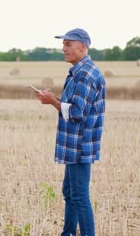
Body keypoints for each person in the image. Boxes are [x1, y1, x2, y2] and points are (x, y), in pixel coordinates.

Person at [35, 28, 106, 236]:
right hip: (75, 143)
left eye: (68, 44)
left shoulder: (84, 74)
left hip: (80, 144)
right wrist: (54, 98)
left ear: (83, 47)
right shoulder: (80, 70)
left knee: (80, 197)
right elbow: (74, 105)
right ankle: (67, 233)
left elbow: (77, 112)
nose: (63, 48)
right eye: (63, 44)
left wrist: (52, 102)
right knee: (70, 192)